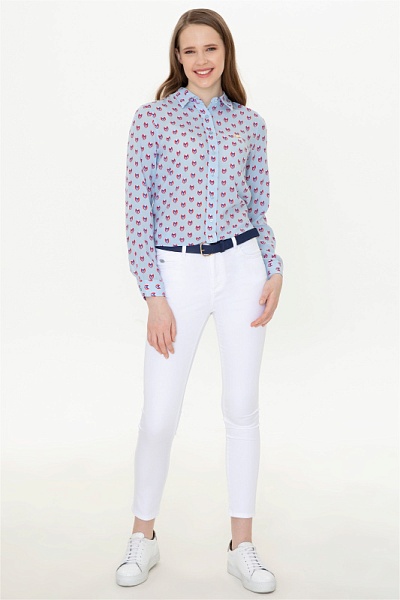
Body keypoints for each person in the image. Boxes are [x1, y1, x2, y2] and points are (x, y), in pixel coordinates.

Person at [115, 7, 283, 595]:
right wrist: (154, 296)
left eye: (211, 48)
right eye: (190, 50)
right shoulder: (152, 120)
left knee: (241, 407)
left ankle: (242, 546)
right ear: (178, 57)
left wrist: (274, 268)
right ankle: (143, 537)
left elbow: (258, 207)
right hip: (177, 272)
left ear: (225, 52)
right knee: (160, 415)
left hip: (242, 269)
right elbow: (137, 211)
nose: (202, 60)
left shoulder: (249, 124)